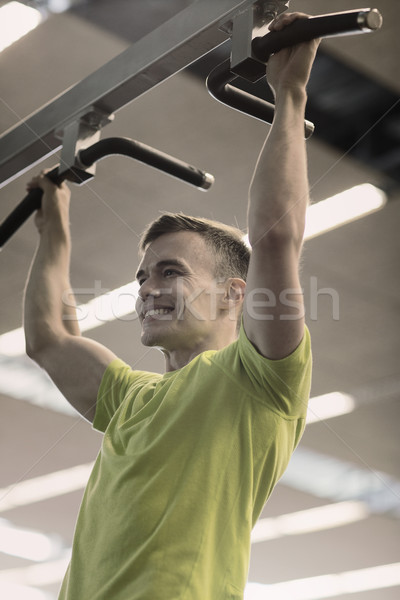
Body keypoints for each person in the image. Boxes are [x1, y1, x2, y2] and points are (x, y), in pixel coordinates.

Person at [24, 12, 318, 600]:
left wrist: (290, 92)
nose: (147, 289)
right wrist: (54, 224)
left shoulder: (258, 382)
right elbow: (49, 337)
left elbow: (276, 235)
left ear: (238, 294)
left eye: (171, 272)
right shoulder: (131, 399)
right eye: (142, 276)